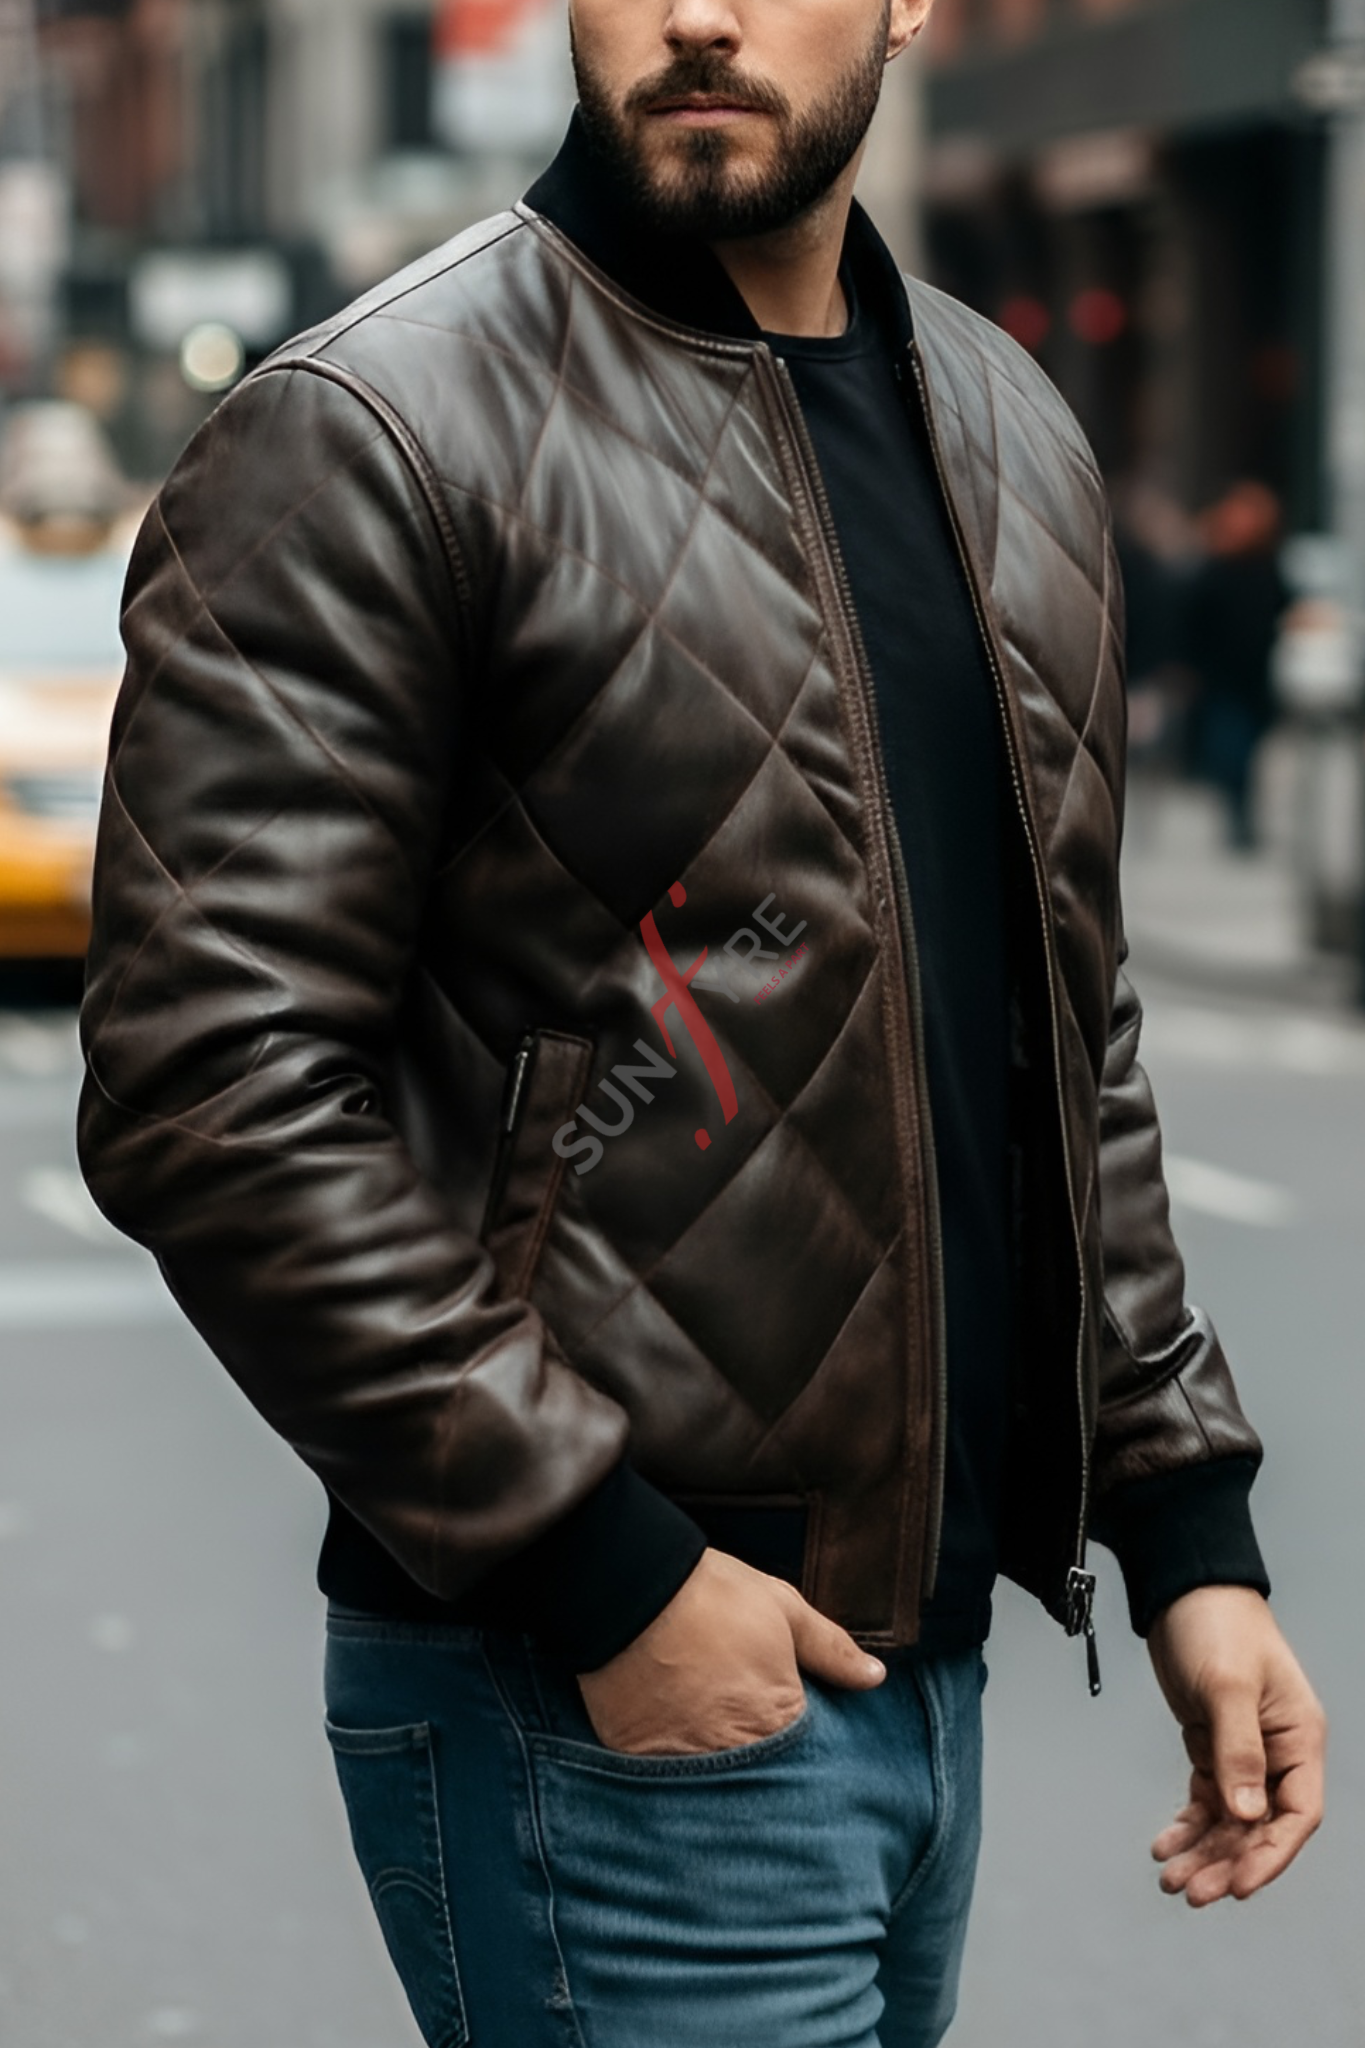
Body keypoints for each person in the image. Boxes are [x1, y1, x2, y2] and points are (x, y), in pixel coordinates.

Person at [75, 1, 1325, 2043]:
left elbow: (1061, 1043)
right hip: (596, 1688)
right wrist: (603, 1572)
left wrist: (1186, 1527)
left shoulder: (1007, 431)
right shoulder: (374, 428)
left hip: (908, 1694)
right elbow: (207, 1085)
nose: (701, 13)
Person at [1188, 480, 1290, 850]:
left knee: (1245, 751)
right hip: (1224, 677)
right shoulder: (1216, 569)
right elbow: (1195, 620)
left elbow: (1281, 611)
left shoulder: (1267, 568)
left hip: (1253, 676)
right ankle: (1237, 817)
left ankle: (1241, 815)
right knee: (1231, 751)